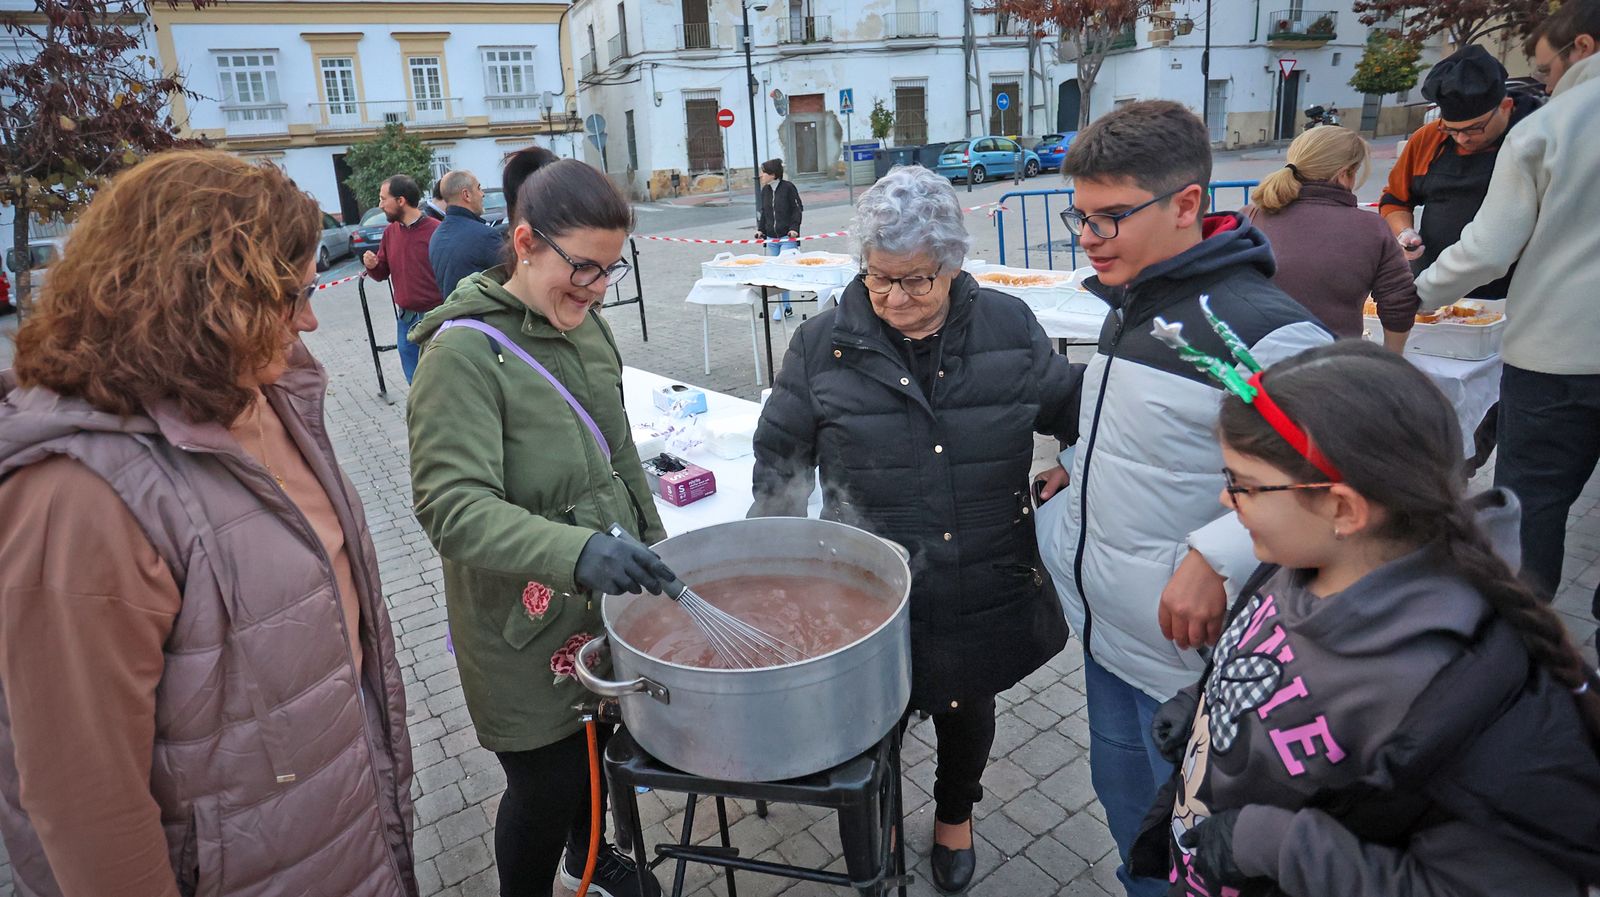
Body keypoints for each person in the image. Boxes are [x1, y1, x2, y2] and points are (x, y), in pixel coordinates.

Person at [0, 149, 417, 895]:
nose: (310, 320)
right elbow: (87, 806)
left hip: (338, 830)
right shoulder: (77, 498)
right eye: (289, 297)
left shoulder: (268, 396)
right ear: (201, 301)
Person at [1130, 339, 1600, 897]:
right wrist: (1203, 705)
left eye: (1243, 485)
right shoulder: (1301, 560)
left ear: (1343, 508)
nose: (1226, 501)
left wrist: (1276, 844)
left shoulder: (1461, 699)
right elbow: (1269, 657)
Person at [750, 164, 1078, 894]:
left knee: (966, 707)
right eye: (879, 278)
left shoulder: (1010, 328)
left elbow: (1073, 411)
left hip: (981, 569)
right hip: (868, 586)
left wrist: (1077, 468)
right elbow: (781, 455)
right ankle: (881, 819)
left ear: (953, 265)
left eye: (917, 281)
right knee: (867, 729)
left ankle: (955, 812)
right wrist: (771, 564)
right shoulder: (821, 343)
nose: (896, 297)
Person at [1033, 100, 1331, 897]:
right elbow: (1151, 434)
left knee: (1190, 847)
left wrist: (1217, 551)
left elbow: (1338, 483)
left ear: (1187, 205)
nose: (1087, 240)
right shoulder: (1135, 301)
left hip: (1190, 665)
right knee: (1133, 828)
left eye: (1110, 218)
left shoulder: (1263, 332)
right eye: (1080, 218)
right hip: (1110, 641)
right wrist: (1077, 463)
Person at [407, 154, 665, 897]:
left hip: (601, 603)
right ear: (524, 243)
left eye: (610, 270)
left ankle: (589, 857)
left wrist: (653, 545)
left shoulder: (589, 329)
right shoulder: (461, 354)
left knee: (597, 750)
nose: (595, 288)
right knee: (545, 785)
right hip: (523, 628)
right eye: (582, 267)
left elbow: (618, 454)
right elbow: (452, 508)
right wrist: (575, 550)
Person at [1412, 0, 1600, 623]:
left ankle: (1529, 639)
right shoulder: (1434, 142)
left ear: (1584, 48)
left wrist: (1411, 296)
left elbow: (1488, 249)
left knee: (1531, 503)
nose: (1545, 81)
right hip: (1538, 342)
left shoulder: (1551, 126)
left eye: (1545, 68)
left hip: (1554, 356)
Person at [1380, 45, 1543, 298]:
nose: (1462, 139)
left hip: (1517, 293)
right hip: (1434, 284)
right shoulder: (1429, 138)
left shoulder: (1537, 136)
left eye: (1474, 129)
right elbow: (1395, 200)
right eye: (1452, 130)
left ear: (1506, 105)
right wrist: (1404, 232)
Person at [1243, 127, 1418, 348]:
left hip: (1250, 367)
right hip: (1332, 367)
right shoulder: (1371, 228)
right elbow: (1399, 305)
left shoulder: (1249, 217)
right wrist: (1393, 359)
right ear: (1345, 173)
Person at [362, 173, 444, 384]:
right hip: (406, 321)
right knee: (415, 382)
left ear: (401, 201)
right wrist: (373, 266)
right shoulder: (390, 233)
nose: (380, 205)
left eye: (383, 198)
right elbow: (382, 273)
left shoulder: (436, 230)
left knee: (440, 379)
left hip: (437, 320)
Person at [429, 168, 506, 299]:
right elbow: (512, 280)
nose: (482, 194)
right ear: (466, 195)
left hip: (454, 316)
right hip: (482, 317)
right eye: (479, 188)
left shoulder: (436, 236)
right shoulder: (485, 236)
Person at [755, 158, 803, 320]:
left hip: (787, 237)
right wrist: (761, 230)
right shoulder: (765, 191)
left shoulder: (788, 188)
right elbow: (764, 213)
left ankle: (782, 306)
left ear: (773, 174)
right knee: (777, 273)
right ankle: (787, 306)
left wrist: (794, 229)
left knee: (783, 270)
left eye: (764, 172)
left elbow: (797, 209)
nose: (761, 176)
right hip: (771, 237)